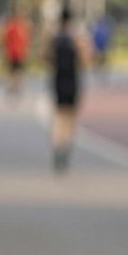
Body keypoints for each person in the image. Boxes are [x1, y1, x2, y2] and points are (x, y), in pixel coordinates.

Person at [46, 10, 93, 172]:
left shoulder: (54, 39)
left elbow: (46, 58)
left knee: (59, 115)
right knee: (71, 117)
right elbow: (87, 60)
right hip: (72, 82)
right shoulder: (77, 39)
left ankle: (57, 143)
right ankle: (65, 146)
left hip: (58, 81)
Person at [0, 10, 31, 100]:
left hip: (15, 52)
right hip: (15, 52)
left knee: (14, 71)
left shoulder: (12, 26)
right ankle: (14, 87)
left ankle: (14, 87)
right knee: (15, 71)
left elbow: (4, 39)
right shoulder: (19, 26)